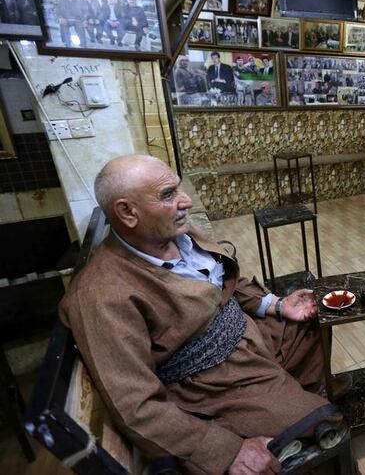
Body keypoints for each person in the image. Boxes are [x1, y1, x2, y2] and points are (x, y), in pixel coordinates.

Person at [59, 155, 349, 475]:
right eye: (168, 195)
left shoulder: (177, 236)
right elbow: (136, 407)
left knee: (316, 318)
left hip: (249, 338)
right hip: (214, 385)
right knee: (326, 423)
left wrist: (275, 305)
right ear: (127, 212)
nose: (186, 201)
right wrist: (223, 450)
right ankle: (301, 413)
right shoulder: (101, 295)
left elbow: (225, 283)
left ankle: (296, 396)